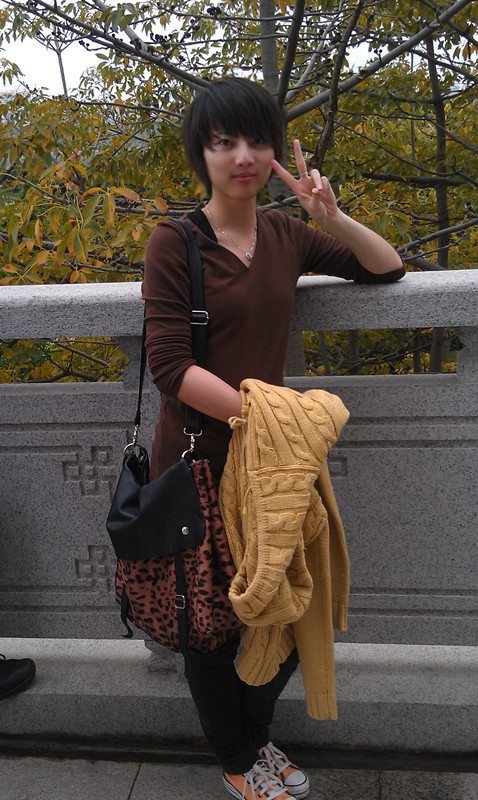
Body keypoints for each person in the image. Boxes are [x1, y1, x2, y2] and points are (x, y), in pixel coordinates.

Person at [142, 76, 405, 800]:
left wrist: (333, 216)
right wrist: (265, 421)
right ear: (201, 154)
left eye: (257, 140)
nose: (244, 156)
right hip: (200, 466)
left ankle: (253, 738)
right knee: (212, 627)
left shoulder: (286, 235)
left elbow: (387, 269)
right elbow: (171, 367)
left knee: (286, 610)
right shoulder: (175, 243)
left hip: (273, 472)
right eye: (224, 142)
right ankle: (237, 757)